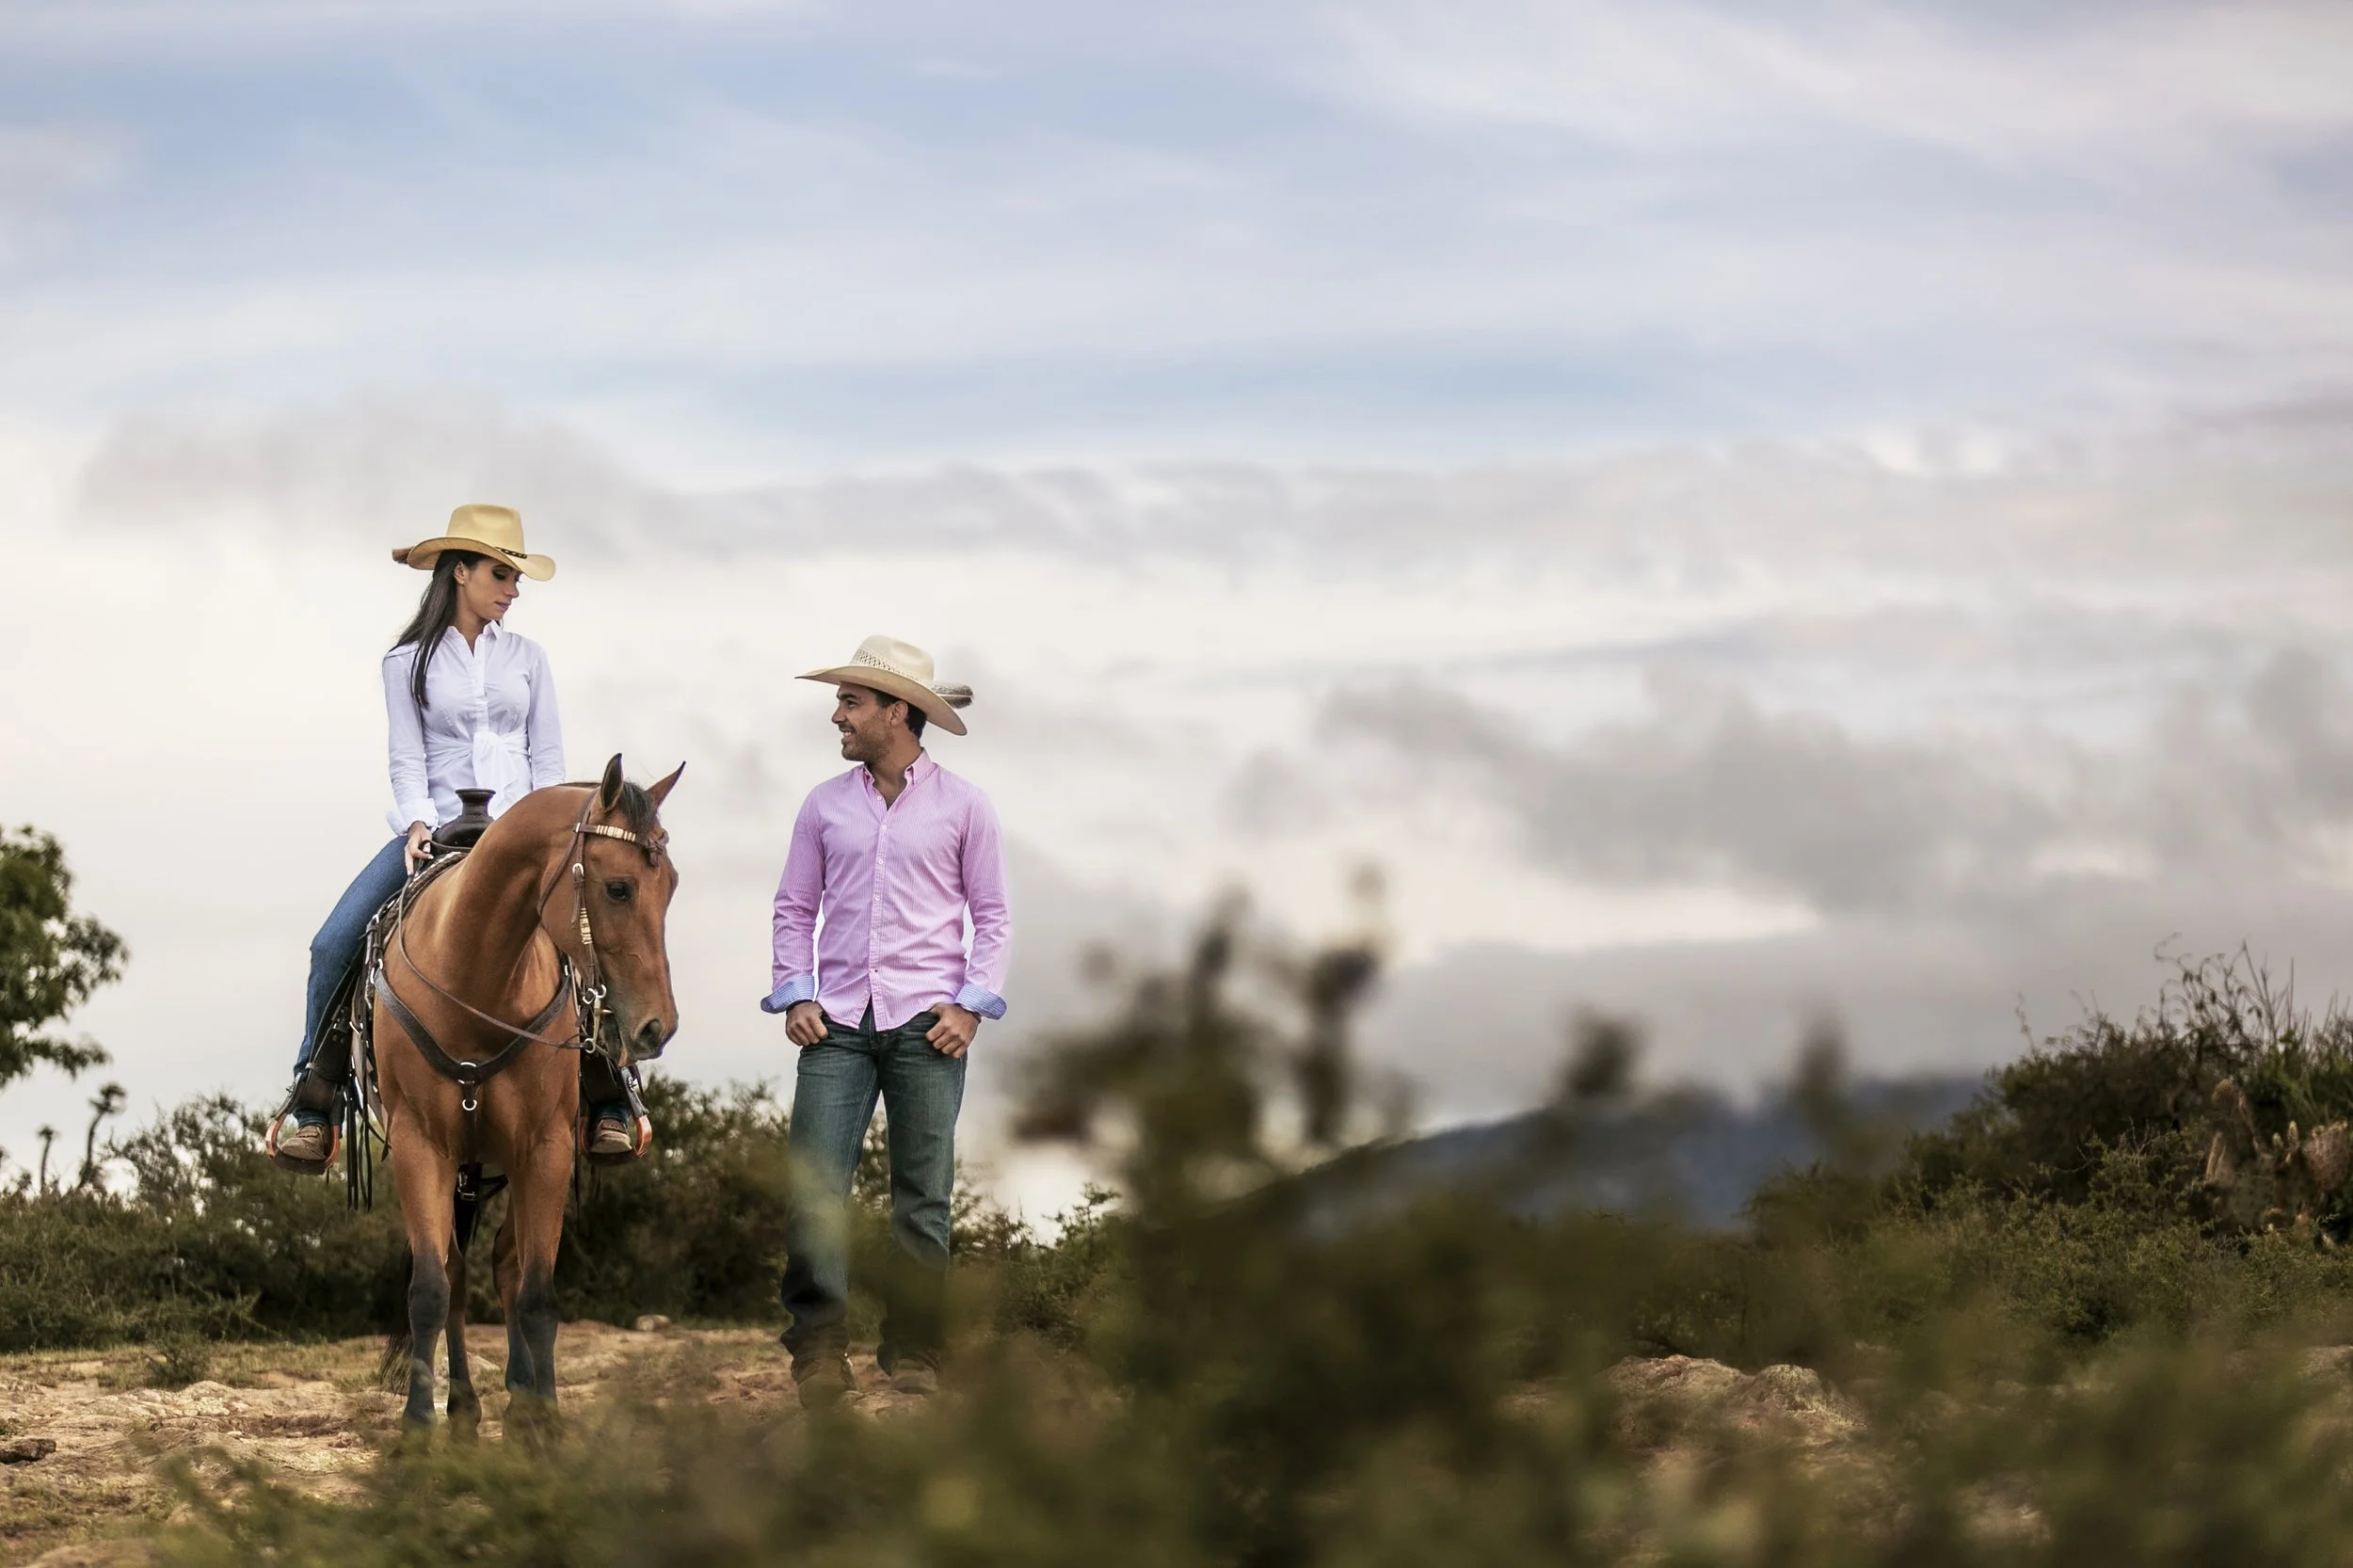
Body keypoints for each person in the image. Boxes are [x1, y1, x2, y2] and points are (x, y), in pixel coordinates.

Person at [265, 504, 642, 1169]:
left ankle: (612, 1093)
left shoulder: (529, 658)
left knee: (592, 937)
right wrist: (414, 824)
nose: (513, 590)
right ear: (460, 572)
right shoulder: (406, 661)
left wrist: (551, 838)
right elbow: (405, 760)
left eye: (516, 577)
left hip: (522, 844)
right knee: (333, 943)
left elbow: (548, 763)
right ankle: (312, 1100)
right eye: (502, 573)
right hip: (435, 835)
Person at [763, 634, 1010, 1403]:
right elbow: (794, 907)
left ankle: (914, 1353)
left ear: (897, 713)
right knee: (814, 1190)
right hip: (835, 1023)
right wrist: (796, 992)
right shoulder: (824, 806)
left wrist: (972, 1008)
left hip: (928, 1028)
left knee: (923, 1198)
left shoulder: (966, 807)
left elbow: (993, 916)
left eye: (851, 702)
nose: (837, 716)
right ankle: (818, 1351)